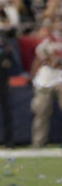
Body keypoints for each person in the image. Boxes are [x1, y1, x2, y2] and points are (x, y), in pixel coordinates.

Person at [31, 18, 62, 147]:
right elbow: (40, 60)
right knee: (41, 111)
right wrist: (33, 77)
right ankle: (38, 143)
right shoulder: (44, 43)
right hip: (46, 80)